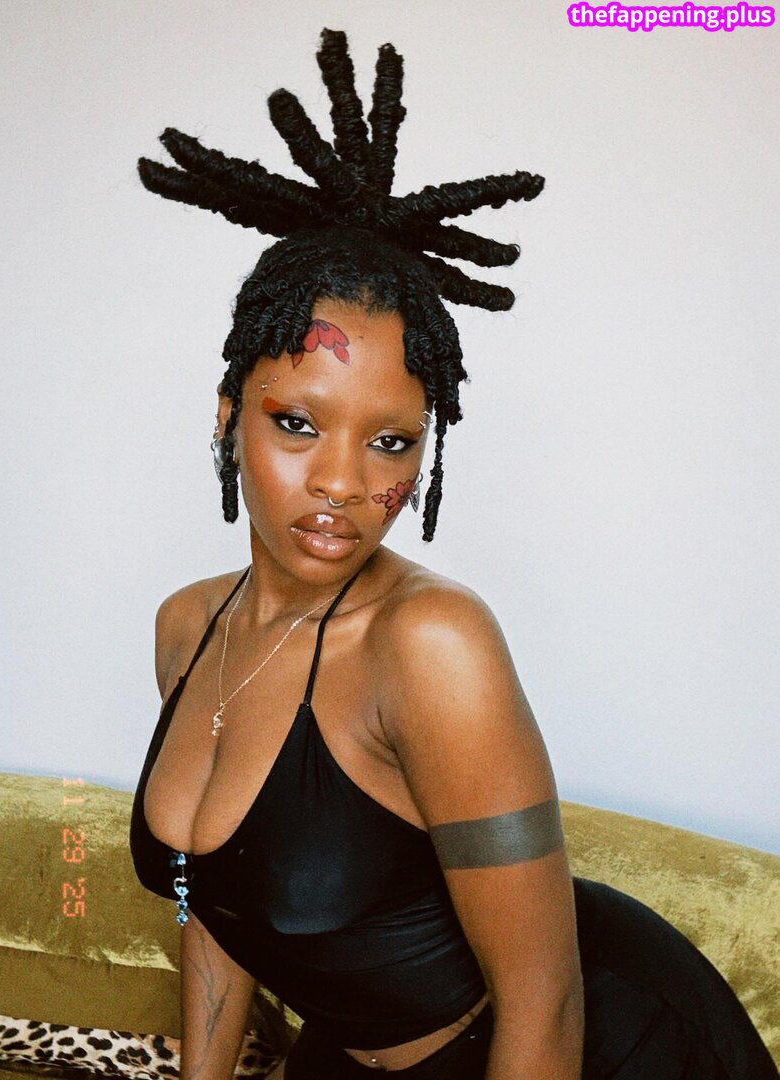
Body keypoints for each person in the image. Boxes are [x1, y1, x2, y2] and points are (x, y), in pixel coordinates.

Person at [129, 28, 777, 1080]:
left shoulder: (432, 643)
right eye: (297, 423)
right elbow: (219, 903)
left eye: (391, 442)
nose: (343, 481)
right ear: (227, 414)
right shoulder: (188, 628)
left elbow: (546, 1003)